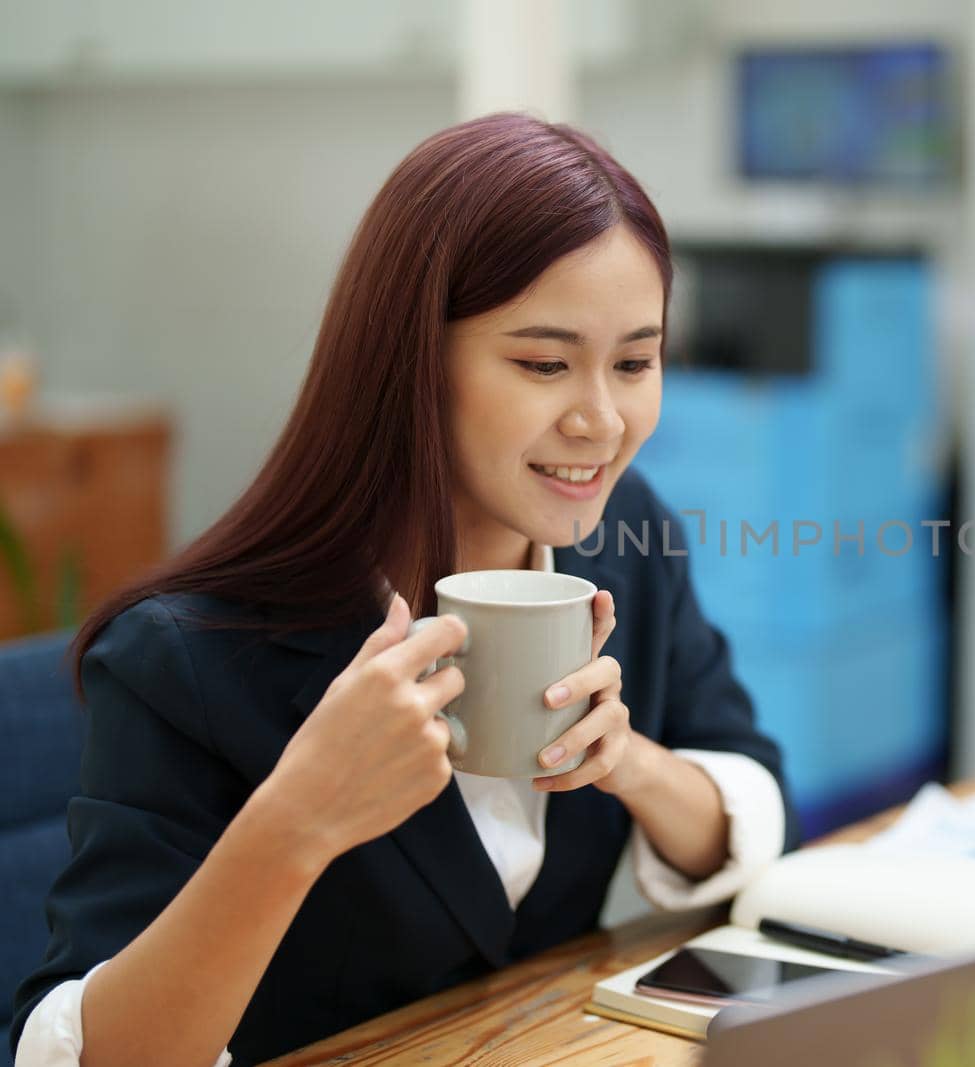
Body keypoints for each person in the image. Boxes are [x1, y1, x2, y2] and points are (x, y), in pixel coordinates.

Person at [10, 113, 796, 1066]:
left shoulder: (627, 547)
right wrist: (298, 820)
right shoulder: (187, 655)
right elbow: (83, 1055)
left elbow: (749, 792)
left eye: (635, 361)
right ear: (412, 361)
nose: (601, 418)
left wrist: (631, 763)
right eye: (544, 363)